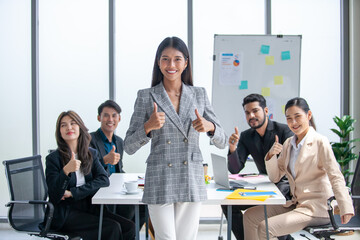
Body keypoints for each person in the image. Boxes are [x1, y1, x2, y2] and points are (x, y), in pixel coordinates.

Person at [124, 36, 227, 240]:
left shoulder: (199, 94)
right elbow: (128, 146)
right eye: (165, 59)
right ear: (158, 62)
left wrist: (210, 127)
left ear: (186, 62)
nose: (171, 65)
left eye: (177, 59)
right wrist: (148, 127)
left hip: (190, 175)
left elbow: (222, 141)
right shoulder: (146, 96)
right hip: (160, 177)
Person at [243, 97, 354, 239]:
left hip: (315, 208)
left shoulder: (320, 142)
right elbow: (275, 177)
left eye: (297, 117)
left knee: (266, 228)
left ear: (308, 115)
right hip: (296, 203)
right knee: (250, 216)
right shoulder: (289, 143)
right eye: (289, 118)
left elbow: (335, 176)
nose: (293, 122)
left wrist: (346, 207)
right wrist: (271, 155)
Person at [46, 110, 135, 240]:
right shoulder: (53, 159)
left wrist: (74, 192)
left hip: (90, 207)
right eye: (63, 125)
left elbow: (104, 179)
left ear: (80, 128)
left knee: (129, 227)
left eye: (73, 123)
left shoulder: (90, 154)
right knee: (112, 227)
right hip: (66, 212)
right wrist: (65, 171)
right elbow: (54, 195)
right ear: (59, 132)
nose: (69, 128)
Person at [221, 93, 293, 240]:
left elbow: (293, 166)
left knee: (269, 211)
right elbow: (235, 169)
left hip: (285, 187)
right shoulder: (247, 136)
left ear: (266, 111)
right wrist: (232, 148)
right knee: (228, 205)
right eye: (247, 113)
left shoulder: (284, 131)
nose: (251, 115)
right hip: (265, 186)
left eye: (255, 111)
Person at [90, 100, 147, 231]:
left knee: (145, 205)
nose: (110, 119)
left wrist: (136, 181)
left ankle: (128, 234)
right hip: (100, 190)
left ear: (119, 118)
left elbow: (119, 170)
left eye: (114, 115)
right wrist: (104, 160)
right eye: (106, 115)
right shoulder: (89, 139)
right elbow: (86, 169)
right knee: (130, 209)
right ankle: (125, 232)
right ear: (99, 117)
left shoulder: (119, 142)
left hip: (116, 189)